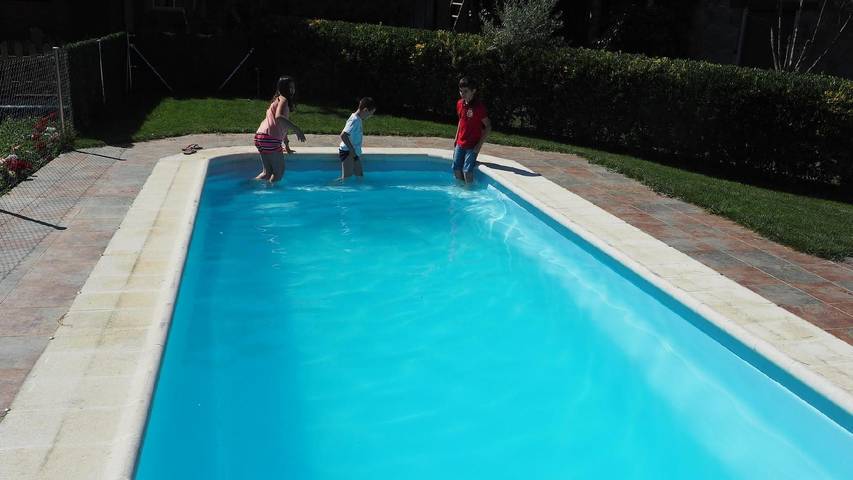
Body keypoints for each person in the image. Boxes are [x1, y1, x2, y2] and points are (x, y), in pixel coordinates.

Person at [253, 75, 306, 182]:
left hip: (260, 136)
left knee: (267, 173)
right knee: (278, 172)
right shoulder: (283, 100)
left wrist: (286, 145)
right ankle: (270, 194)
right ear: (283, 88)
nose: (292, 90)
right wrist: (297, 129)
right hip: (270, 138)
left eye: (293, 87)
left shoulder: (275, 100)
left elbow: (281, 126)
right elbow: (279, 117)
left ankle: (250, 186)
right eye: (289, 87)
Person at [453, 77, 491, 184]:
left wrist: (479, 145)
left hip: (472, 145)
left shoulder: (479, 108)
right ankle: (460, 190)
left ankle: (468, 192)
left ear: (473, 91)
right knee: (456, 168)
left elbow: (488, 126)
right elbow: (461, 120)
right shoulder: (460, 104)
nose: (462, 94)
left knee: (467, 172)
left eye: (466, 91)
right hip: (460, 143)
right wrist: (456, 138)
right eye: (460, 91)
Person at [338, 97, 376, 180]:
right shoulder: (354, 120)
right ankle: (330, 186)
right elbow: (343, 135)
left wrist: (355, 154)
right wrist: (353, 152)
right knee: (346, 179)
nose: (370, 116)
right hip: (348, 152)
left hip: (354, 153)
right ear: (365, 110)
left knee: (360, 176)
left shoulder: (358, 120)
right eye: (370, 114)